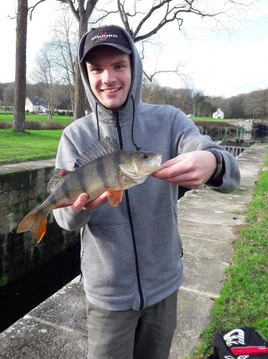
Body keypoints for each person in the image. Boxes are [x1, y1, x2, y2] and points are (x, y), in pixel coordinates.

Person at [53, 25, 240, 359]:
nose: (108, 78)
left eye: (118, 66)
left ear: (134, 68)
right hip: (107, 297)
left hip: (163, 286)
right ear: (86, 74)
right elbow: (65, 219)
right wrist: (81, 207)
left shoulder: (170, 120)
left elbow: (231, 172)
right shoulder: (74, 136)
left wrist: (212, 161)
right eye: (96, 69)